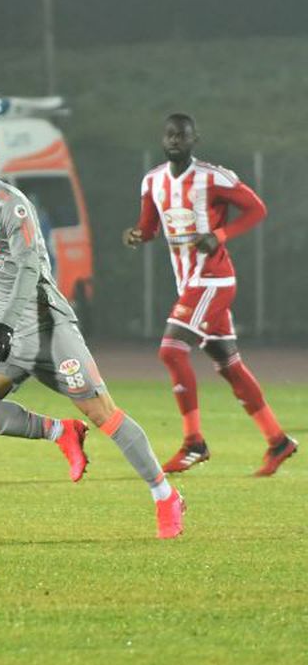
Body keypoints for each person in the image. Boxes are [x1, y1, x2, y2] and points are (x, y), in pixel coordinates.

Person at [0, 126, 184, 539]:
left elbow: (29, 267)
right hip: (9, 337)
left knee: (104, 415)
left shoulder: (14, 206)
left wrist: (5, 322)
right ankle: (60, 432)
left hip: (48, 328)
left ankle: (165, 495)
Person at [123, 113, 296, 477]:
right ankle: (278, 441)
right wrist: (138, 234)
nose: (174, 140)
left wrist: (220, 235)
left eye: (182, 136)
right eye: (169, 135)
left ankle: (193, 443)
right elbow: (150, 226)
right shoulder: (152, 180)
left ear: (194, 139)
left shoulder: (212, 177)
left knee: (171, 351)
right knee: (229, 365)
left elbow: (256, 209)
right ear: (162, 139)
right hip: (190, 283)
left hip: (212, 278)